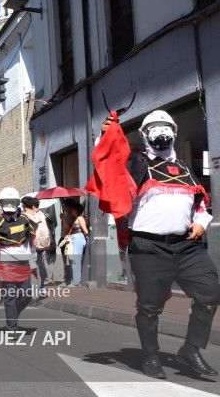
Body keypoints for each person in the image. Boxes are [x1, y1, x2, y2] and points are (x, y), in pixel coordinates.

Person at [91, 110, 220, 379]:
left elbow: (202, 203)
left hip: (187, 245)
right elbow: (110, 170)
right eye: (153, 127)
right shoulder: (136, 163)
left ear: (174, 132)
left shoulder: (184, 168)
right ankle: (150, 356)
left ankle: (191, 349)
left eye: (165, 127)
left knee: (209, 293)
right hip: (149, 246)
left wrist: (201, 222)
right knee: (149, 306)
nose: (161, 132)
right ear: (145, 135)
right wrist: (105, 137)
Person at [0, 188, 38, 333]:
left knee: (26, 295)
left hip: (24, 263)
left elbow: (30, 243)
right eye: (6, 201)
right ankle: (11, 327)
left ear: (18, 203)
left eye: (12, 201)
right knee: (10, 296)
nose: (10, 204)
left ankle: (12, 315)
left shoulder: (25, 220)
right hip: (6, 264)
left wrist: (33, 262)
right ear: (1, 203)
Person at [61, 199, 89, 287]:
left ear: (77, 210)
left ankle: (76, 282)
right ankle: (75, 281)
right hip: (75, 239)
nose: (71, 211)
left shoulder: (80, 218)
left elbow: (85, 231)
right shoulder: (76, 218)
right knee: (73, 260)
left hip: (78, 239)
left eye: (73, 209)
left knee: (75, 260)